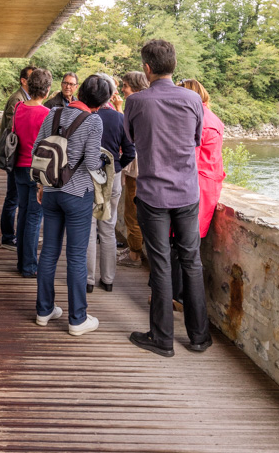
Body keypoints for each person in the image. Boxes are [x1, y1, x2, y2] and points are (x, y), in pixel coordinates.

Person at [124, 39, 212, 357]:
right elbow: (197, 139)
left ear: (147, 69)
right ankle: (199, 337)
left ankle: (162, 338)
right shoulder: (192, 100)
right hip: (187, 192)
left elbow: (132, 139)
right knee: (192, 262)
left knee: (161, 265)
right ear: (173, 65)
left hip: (152, 194)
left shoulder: (136, 103)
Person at [33, 74, 110, 337]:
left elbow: (37, 150)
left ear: (79, 92)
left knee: (49, 251)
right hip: (77, 194)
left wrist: (41, 186)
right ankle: (77, 319)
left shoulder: (53, 114)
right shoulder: (94, 120)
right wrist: (103, 163)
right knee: (76, 256)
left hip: (52, 191)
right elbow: (90, 162)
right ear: (100, 103)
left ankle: (44, 311)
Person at [169, 78, 226, 302]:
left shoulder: (195, 119)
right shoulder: (213, 118)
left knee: (180, 242)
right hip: (209, 185)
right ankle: (180, 296)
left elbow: (188, 159)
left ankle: (178, 296)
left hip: (194, 187)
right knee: (190, 242)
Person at [86, 73, 135, 293]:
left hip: (89, 177)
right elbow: (130, 151)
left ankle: (87, 279)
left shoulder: (86, 117)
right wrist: (116, 166)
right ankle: (108, 279)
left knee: (88, 229)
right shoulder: (119, 118)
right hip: (112, 178)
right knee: (108, 229)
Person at [12, 68, 51, 277]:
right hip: (37, 170)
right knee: (35, 218)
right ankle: (29, 266)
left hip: (19, 166)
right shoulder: (47, 114)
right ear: (46, 90)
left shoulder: (18, 107)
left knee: (23, 213)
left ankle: (21, 262)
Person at [0, 65, 35, 250]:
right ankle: (7, 235)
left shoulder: (24, 98)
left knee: (15, 197)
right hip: (15, 157)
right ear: (23, 80)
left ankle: (16, 235)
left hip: (18, 156)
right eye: (32, 78)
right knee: (13, 197)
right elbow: (14, 129)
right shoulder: (17, 100)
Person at [116, 71, 150, 268]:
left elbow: (127, 131)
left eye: (125, 85)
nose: (122, 89)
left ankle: (135, 255)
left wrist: (120, 109)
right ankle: (134, 249)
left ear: (135, 87)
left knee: (132, 209)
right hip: (144, 164)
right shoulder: (148, 102)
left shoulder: (135, 102)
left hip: (135, 165)